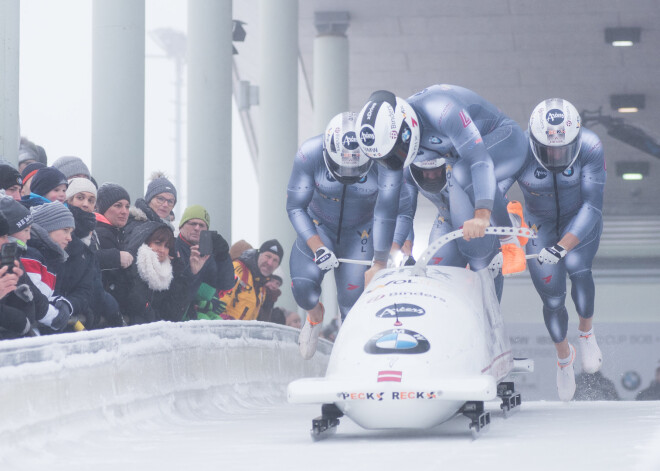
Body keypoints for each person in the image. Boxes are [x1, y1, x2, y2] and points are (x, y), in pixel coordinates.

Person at [356, 86, 528, 277]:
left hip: (504, 139)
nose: (394, 163)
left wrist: (482, 215)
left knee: (462, 172)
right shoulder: (389, 150)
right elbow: (387, 205)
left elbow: (479, 160)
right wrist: (379, 262)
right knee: (437, 270)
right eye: (384, 159)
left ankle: (509, 239)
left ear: (406, 128)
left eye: (395, 152)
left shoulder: (442, 110)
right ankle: (508, 214)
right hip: (460, 165)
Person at [499, 98, 606, 402]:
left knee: (577, 266)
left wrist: (562, 246)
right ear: (533, 143)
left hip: (578, 220)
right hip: (538, 224)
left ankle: (586, 333)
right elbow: (493, 191)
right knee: (553, 296)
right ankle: (564, 357)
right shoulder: (518, 148)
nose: (557, 155)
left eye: (563, 149)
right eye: (549, 150)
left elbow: (592, 205)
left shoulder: (591, 146)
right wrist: (509, 229)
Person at [287, 112, 412, 359]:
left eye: (357, 169)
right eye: (342, 166)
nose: (348, 174)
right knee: (303, 288)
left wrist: (392, 252)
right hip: (318, 226)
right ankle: (314, 317)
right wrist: (318, 247)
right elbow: (295, 207)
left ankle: (350, 356)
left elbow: (402, 212)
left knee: (352, 303)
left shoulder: (388, 161)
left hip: (361, 234)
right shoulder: (309, 154)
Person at [66, 179, 124, 328]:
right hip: (73, 307)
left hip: (92, 302)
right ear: (69, 199)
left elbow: (93, 273)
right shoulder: (65, 228)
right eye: (80, 197)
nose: (86, 203)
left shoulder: (91, 230)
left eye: (91, 200)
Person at [120, 221, 189, 325]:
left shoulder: (168, 272)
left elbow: (173, 314)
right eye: (158, 243)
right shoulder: (130, 269)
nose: (162, 250)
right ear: (145, 242)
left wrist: (178, 274)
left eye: (167, 246)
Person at [23, 202, 76, 333]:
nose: (69, 238)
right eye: (65, 230)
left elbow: (44, 296)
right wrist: (55, 315)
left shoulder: (49, 258)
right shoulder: (31, 255)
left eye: (71, 232)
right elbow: (30, 300)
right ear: (47, 228)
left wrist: (63, 303)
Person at [174, 204, 234, 319]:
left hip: (202, 311)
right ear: (181, 226)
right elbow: (177, 291)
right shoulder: (172, 247)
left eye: (202, 225)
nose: (197, 228)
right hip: (179, 314)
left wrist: (223, 257)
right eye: (192, 223)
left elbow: (226, 284)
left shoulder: (209, 253)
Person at [215, 239, 283, 321]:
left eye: (275, 260)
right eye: (267, 256)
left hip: (241, 332)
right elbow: (219, 304)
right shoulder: (238, 269)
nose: (270, 263)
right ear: (259, 254)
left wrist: (269, 304)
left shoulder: (261, 287)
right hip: (223, 330)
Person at [94, 183, 134, 311]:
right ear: (103, 208)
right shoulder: (103, 233)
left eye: (127, 206)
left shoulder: (114, 232)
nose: (124, 211)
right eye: (118, 206)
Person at [124, 172, 177, 239]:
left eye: (170, 201)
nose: (165, 205)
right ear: (149, 200)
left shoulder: (174, 230)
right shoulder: (135, 224)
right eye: (160, 199)